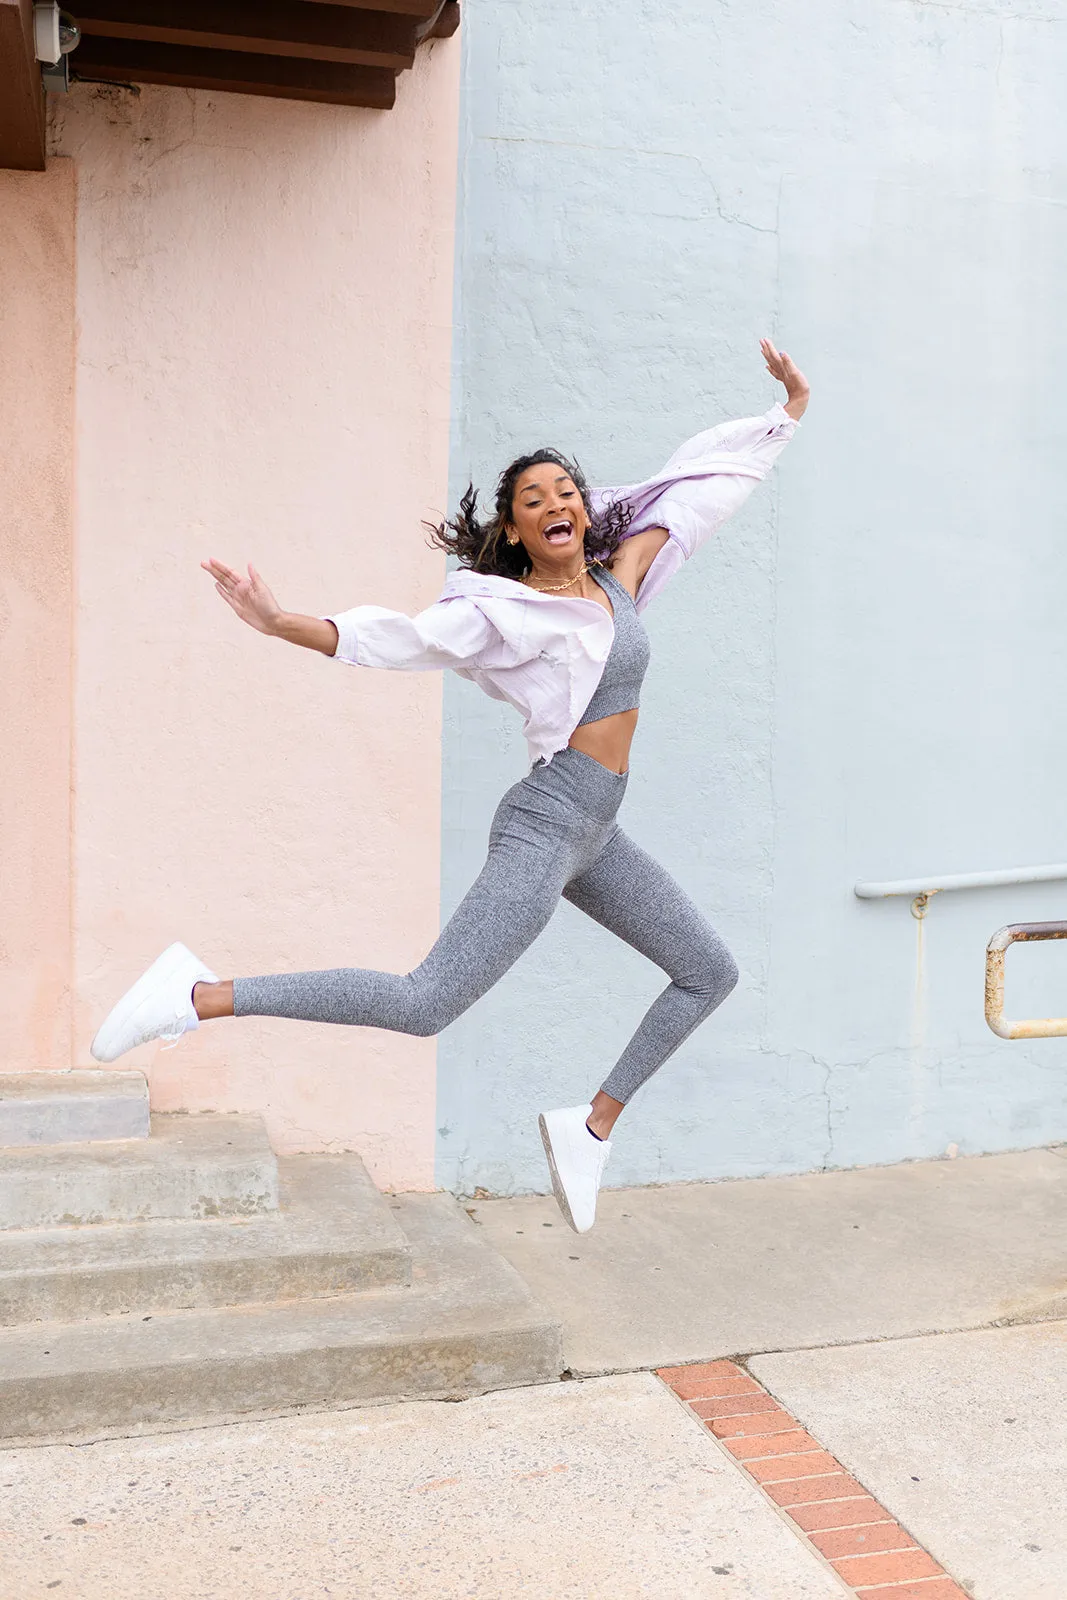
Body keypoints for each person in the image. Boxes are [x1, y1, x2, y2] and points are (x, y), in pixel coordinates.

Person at [91, 339, 809, 1233]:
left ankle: (590, 1128)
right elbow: (399, 638)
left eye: (564, 493)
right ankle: (194, 995)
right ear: (512, 530)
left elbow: (700, 492)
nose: (554, 505)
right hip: (548, 823)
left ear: (585, 513)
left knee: (707, 973)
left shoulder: (620, 579)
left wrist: (784, 416)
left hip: (597, 830)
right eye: (531, 501)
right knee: (425, 1002)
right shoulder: (494, 612)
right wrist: (279, 622)